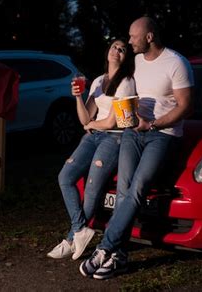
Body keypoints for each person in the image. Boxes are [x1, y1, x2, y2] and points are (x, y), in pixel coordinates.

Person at [79, 16, 194, 279]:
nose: (129, 41)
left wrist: (153, 124)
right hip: (132, 132)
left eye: (133, 36)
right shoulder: (135, 62)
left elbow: (187, 106)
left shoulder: (176, 63)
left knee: (138, 188)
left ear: (150, 37)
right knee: (123, 189)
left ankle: (105, 247)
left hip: (163, 135)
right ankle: (119, 257)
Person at [47, 39, 136, 260]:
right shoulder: (97, 81)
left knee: (92, 187)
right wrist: (77, 96)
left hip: (113, 139)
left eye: (123, 49)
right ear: (107, 52)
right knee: (65, 177)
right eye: (115, 46)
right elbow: (85, 117)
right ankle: (79, 230)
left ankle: (70, 241)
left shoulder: (126, 82)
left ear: (126, 58)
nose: (118, 50)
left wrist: (91, 125)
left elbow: (112, 122)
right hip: (92, 136)